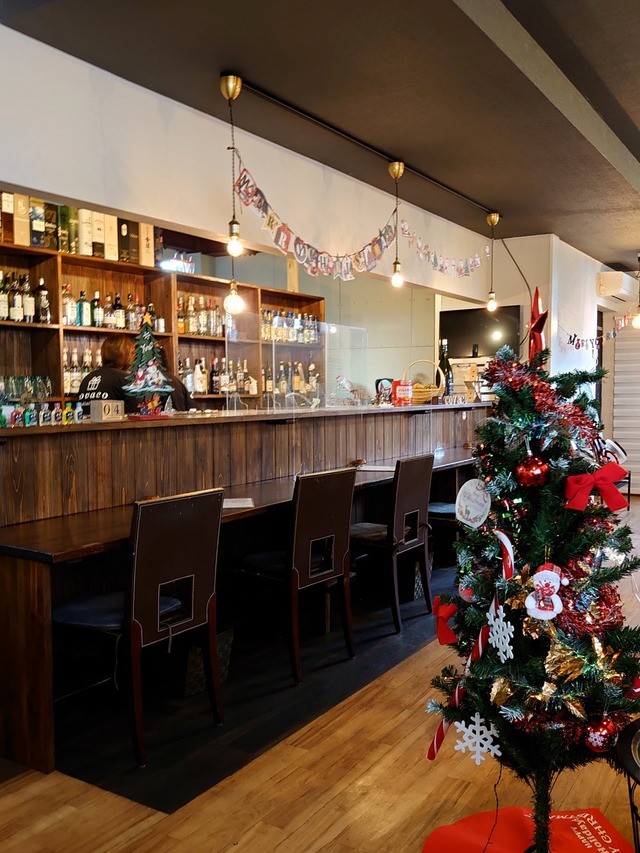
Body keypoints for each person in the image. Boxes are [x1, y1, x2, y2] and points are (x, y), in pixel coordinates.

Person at [77, 335, 137, 415]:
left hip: (88, 423)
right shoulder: (127, 379)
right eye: (132, 353)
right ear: (126, 355)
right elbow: (136, 414)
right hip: (116, 423)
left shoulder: (87, 379)